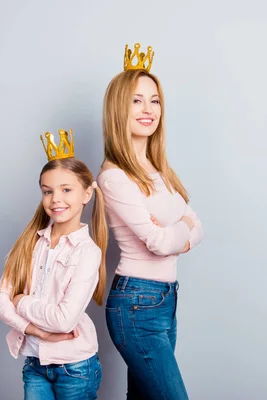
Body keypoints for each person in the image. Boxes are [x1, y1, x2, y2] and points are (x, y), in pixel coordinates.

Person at [97, 43, 204, 399]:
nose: (148, 109)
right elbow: (158, 242)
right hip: (136, 305)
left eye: (154, 100)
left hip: (165, 299)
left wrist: (180, 230)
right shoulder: (114, 177)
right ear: (118, 110)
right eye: (136, 101)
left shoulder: (159, 170)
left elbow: (196, 223)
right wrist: (183, 229)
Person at [0, 129, 107, 400]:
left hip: (75, 367)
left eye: (67, 190)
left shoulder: (88, 252)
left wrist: (20, 302)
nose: (56, 199)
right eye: (48, 191)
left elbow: (64, 320)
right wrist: (32, 329)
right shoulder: (29, 244)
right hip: (34, 363)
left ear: (86, 194)